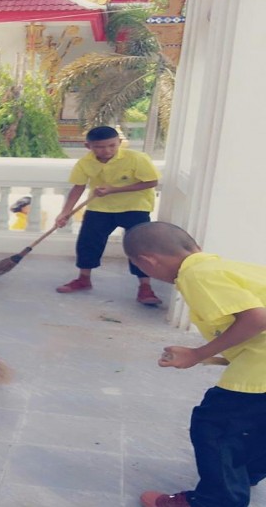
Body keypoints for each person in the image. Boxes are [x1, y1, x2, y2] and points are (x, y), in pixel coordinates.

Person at [123, 222, 266, 507]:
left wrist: (198, 354)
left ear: (147, 261)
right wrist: (217, 355)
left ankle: (216, 500)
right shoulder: (223, 267)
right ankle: (243, 474)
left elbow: (257, 319)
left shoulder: (196, 275)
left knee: (214, 425)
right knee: (257, 423)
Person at [54, 126, 162, 305]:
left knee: (139, 247)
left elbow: (151, 182)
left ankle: (145, 287)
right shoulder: (84, 163)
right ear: (88, 146)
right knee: (88, 242)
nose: (107, 151)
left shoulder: (137, 158)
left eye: (112, 145)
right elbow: (78, 187)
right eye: (99, 147)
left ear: (119, 142)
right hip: (99, 207)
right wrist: (65, 212)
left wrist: (114, 190)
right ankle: (83, 279)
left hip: (135, 207)